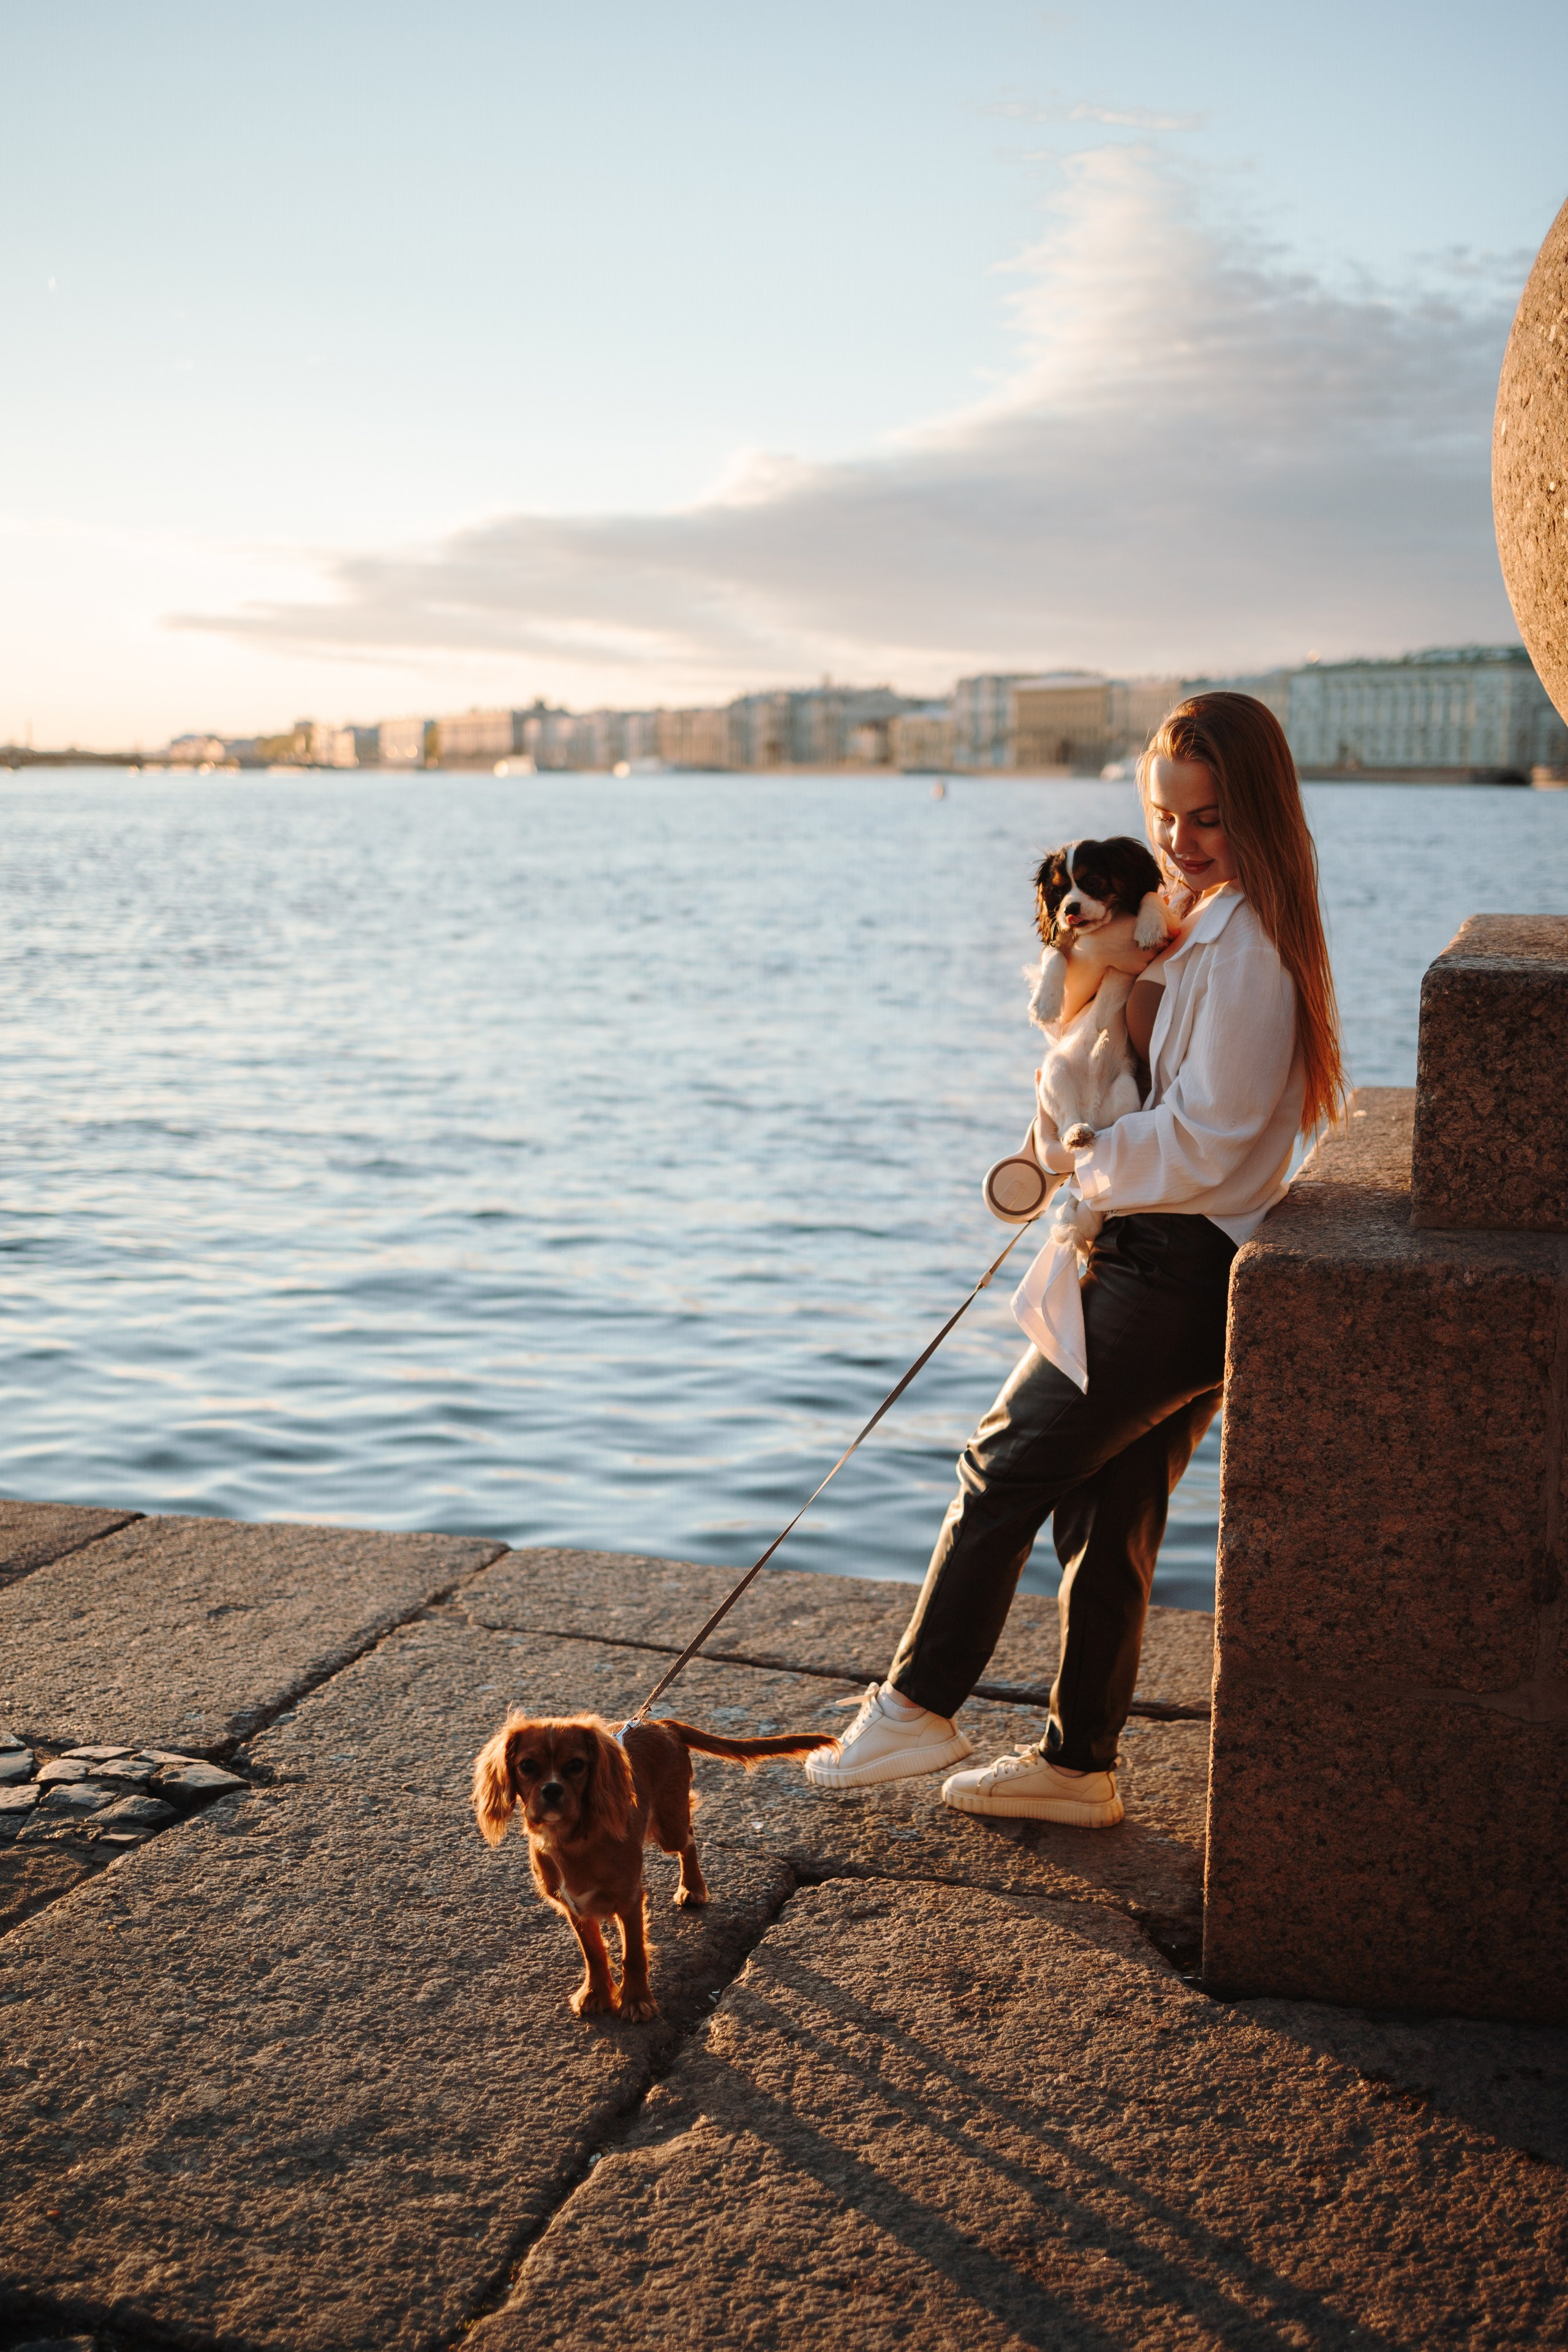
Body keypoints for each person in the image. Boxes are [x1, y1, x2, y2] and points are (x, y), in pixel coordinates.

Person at [806, 692, 1345, 1825]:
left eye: (1206, 821)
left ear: (1260, 812)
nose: (1180, 844)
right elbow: (1126, 1083)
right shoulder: (1190, 927)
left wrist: (1085, 1159)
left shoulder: (1246, 948)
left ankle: (916, 1706)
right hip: (1170, 1260)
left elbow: (1209, 1136)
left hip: (1176, 1269)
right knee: (1107, 1513)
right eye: (1164, 818)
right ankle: (1079, 1764)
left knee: (998, 1469)